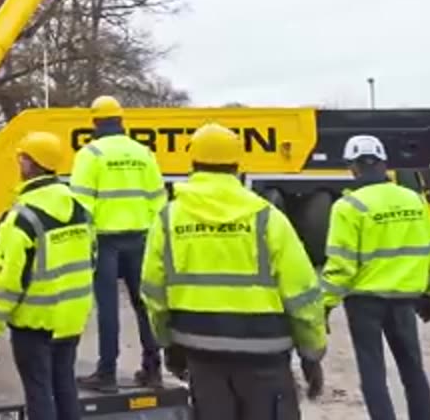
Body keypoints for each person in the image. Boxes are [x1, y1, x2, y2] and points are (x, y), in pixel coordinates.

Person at [140, 123, 326, 420]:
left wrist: (167, 342)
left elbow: (153, 291)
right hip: (266, 354)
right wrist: (311, 352)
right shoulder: (267, 218)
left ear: (192, 163)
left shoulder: (168, 219)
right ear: (237, 165)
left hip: (199, 351)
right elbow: (303, 294)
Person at [322, 134, 430, 420]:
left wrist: (325, 303)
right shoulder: (413, 200)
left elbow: (342, 265)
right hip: (405, 299)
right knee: (413, 370)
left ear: (352, 167)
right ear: (384, 164)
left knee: (373, 373)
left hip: (364, 303)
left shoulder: (349, 207)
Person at [0, 131, 94, 420]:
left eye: (22, 158)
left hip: (34, 322)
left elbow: (8, 283)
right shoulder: (81, 210)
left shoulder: (21, 218)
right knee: (65, 385)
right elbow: (90, 258)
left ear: (31, 164)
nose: (19, 163)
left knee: (38, 392)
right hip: (71, 318)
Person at [70, 95, 166, 392]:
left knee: (108, 308)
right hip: (141, 239)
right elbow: (158, 200)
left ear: (95, 121)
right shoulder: (143, 153)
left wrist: (82, 246)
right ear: (121, 120)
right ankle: (153, 369)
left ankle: (107, 373)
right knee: (144, 305)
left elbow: (81, 206)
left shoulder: (91, 154)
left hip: (104, 242)